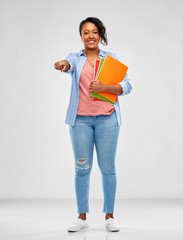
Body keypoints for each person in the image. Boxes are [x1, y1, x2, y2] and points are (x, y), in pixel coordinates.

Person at [54, 17, 132, 232]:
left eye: (94, 32)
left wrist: (105, 86)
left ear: (100, 35)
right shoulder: (75, 58)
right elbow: (66, 64)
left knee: (108, 169)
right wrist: (62, 64)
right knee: (82, 169)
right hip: (80, 121)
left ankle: (110, 216)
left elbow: (127, 86)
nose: (90, 36)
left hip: (107, 119)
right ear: (81, 36)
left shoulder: (111, 59)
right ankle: (81, 217)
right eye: (86, 32)